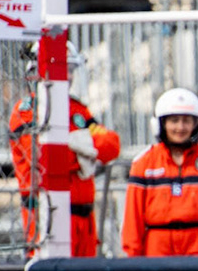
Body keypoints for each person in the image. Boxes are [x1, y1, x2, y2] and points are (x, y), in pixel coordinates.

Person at [7, 47, 121, 257]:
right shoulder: (26, 111)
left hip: (84, 222)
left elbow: (112, 146)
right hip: (46, 217)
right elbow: (45, 159)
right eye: (62, 69)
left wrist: (72, 147)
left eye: (70, 70)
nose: (67, 76)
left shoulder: (78, 110)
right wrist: (86, 152)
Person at [121, 87, 198, 257]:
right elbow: (133, 218)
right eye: (174, 121)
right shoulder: (144, 163)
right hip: (157, 246)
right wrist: (132, 258)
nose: (180, 127)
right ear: (162, 124)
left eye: (187, 121)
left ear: (197, 125)